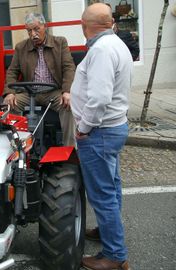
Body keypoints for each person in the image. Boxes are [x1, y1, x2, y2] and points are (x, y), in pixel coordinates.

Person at [71, 3, 132, 270]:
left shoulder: (102, 50)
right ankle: (108, 232)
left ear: (87, 25)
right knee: (112, 185)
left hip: (99, 131)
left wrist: (84, 128)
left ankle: (115, 256)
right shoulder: (116, 44)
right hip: (112, 128)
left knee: (102, 194)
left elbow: (99, 98)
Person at [3, 13, 76, 146]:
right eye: (29, 30)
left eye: (36, 29)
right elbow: (12, 71)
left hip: (53, 92)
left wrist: (67, 91)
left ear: (45, 26)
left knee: (69, 106)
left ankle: (69, 149)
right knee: (9, 105)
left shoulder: (60, 43)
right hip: (30, 92)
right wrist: (9, 93)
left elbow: (68, 67)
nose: (33, 34)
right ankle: (17, 146)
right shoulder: (21, 47)